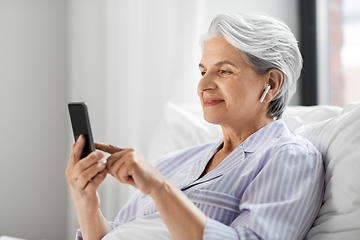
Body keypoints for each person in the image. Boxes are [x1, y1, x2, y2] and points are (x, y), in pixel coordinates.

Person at [66, 13, 324, 240]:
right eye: (203, 72)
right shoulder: (175, 163)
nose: (203, 85)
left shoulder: (289, 157)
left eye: (223, 71)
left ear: (272, 83)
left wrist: (159, 187)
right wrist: (86, 200)